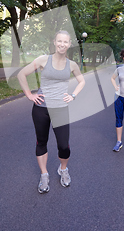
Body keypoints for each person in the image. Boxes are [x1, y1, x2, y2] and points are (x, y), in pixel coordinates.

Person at [17, 30, 85, 194]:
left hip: (60, 108)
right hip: (41, 108)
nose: (62, 44)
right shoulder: (43, 60)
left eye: (65, 42)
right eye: (59, 41)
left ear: (69, 44)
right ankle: (44, 174)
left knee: (64, 146)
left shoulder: (72, 64)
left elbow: (82, 81)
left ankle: (63, 169)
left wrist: (73, 95)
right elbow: (21, 74)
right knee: (41, 142)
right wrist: (29, 95)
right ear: (55, 42)